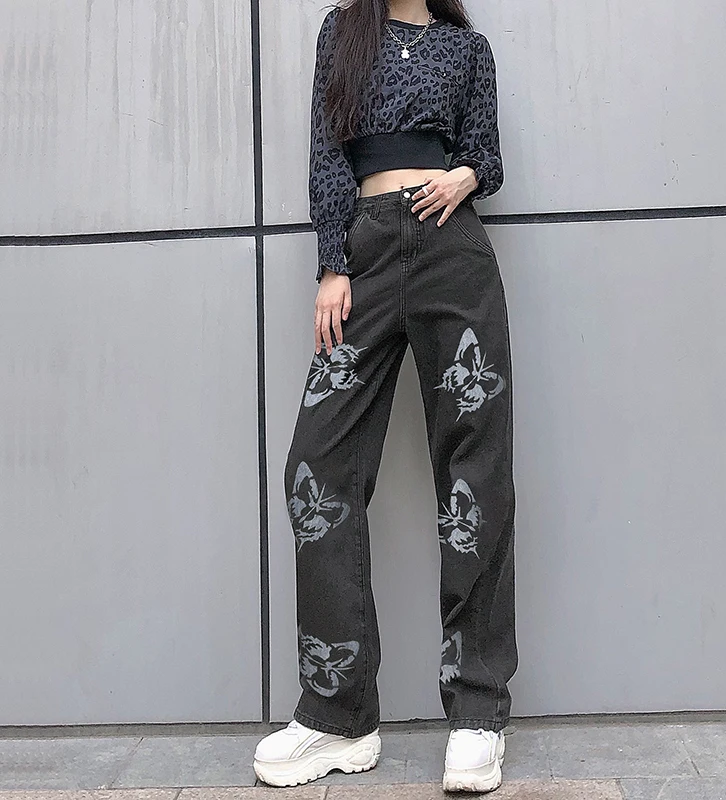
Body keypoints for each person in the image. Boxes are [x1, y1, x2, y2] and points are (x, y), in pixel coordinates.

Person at [253, 0, 518, 792]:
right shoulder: (343, 31)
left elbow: (485, 153)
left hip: (452, 252)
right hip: (364, 256)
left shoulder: (467, 49)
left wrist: (468, 173)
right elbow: (327, 152)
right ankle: (339, 715)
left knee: (475, 472)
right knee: (317, 467)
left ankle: (476, 712)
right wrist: (332, 264)